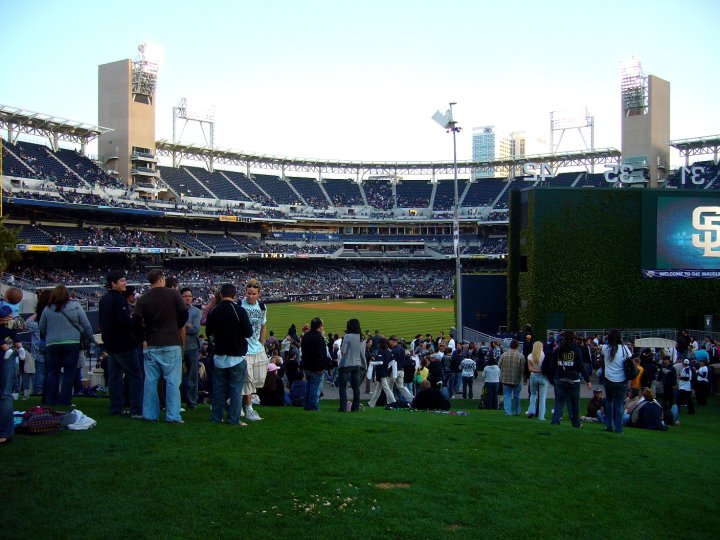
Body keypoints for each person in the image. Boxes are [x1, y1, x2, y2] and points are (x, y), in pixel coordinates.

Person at [133, 269, 188, 423]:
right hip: (171, 342)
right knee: (172, 381)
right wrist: (176, 325)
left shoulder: (143, 299)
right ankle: (173, 416)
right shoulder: (174, 294)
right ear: (162, 279)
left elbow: (136, 321)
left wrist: (143, 337)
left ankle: (150, 414)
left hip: (151, 343)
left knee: (151, 381)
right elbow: (184, 314)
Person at [205, 283, 253, 425]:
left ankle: (216, 417)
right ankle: (233, 419)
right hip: (237, 356)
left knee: (219, 389)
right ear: (234, 296)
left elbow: (209, 334)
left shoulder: (214, 311)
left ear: (220, 295)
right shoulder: (239, 311)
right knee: (235, 390)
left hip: (219, 356)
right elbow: (248, 333)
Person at [39, 285, 95, 407]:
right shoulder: (75, 306)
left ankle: (51, 400)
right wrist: (91, 339)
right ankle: (65, 401)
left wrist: (50, 336)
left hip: (52, 344)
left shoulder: (47, 309)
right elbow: (86, 325)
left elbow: (42, 327)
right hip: (71, 343)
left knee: (53, 373)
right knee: (69, 373)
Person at [99, 270, 143, 418]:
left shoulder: (104, 299)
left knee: (115, 377)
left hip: (111, 345)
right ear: (113, 283)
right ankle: (136, 409)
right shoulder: (118, 299)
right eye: (122, 280)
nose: (125, 283)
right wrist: (135, 320)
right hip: (123, 345)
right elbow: (125, 322)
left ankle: (116, 408)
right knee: (135, 376)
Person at [549, 330, 592, 428]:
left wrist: (555, 376)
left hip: (560, 378)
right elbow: (581, 366)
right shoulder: (576, 350)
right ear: (574, 339)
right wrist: (588, 380)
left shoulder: (558, 349)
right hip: (573, 379)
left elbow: (552, 364)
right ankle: (575, 423)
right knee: (575, 403)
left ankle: (555, 421)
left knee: (559, 402)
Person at [240, 279, 268, 422]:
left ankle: (236, 399)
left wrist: (262, 344)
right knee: (248, 380)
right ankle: (249, 408)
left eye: (253, 294)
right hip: (243, 349)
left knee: (258, 378)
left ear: (258, 294)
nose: (250, 296)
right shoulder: (239, 305)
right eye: (248, 293)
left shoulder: (262, 307)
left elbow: (263, 326)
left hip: (257, 349)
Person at [0, 306, 23, 445]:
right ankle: (4, 433)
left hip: (5, 354)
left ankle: (4, 432)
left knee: (5, 395)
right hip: (5, 355)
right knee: (5, 394)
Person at [601, 329, 631, 434]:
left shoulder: (605, 348)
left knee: (609, 401)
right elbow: (630, 359)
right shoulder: (624, 349)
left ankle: (609, 425)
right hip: (622, 380)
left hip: (609, 379)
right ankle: (619, 428)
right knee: (619, 404)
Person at [24, 289, 51, 400]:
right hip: (51, 346)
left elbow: (27, 323)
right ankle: (48, 392)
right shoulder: (52, 316)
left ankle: (38, 391)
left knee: (40, 373)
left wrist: (37, 313)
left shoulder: (37, 321)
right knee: (51, 372)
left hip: (40, 346)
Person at [300, 317, 329, 411]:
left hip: (306, 366)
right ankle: (313, 407)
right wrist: (321, 367)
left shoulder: (305, 336)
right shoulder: (319, 338)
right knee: (315, 389)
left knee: (308, 386)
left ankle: (307, 406)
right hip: (316, 367)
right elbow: (321, 355)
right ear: (319, 326)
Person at [180, 288, 202, 410]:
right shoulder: (176, 310)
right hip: (179, 346)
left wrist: (182, 327)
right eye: (185, 296)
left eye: (190, 296)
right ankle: (178, 400)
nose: (188, 298)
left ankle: (192, 401)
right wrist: (187, 325)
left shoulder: (196, 312)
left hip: (192, 347)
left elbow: (196, 329)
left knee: (193, 376)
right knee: (177, 375)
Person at [338, 318, 366, 412]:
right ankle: (355, 407)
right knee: (356, 388)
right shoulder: (360, 337)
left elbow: (343, 351)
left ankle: (343, 408)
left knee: (342, 387)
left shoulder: (348, 336)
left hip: (346, 363)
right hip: (357, 364)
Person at [499, 339, 526, 416]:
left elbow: (499, 365)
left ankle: (508, 412)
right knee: (517, 396)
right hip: (516, 379)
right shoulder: (520, 356)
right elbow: (522, 369)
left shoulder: (504, 355)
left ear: (510, 345)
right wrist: (524, 378)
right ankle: (517, 411)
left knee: (507, 396)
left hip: (505, 378)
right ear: (517, 346)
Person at [368, 339, 396, 408]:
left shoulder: (380, 351)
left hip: (381, 372)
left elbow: (381, 362)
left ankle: (393, 402)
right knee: (378, 389)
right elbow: (393, 361)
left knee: (386, 388)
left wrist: (372, 363)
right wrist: (387, 367)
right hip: (384, 372)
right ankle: (371, 403)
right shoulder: (388, 351)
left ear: (380, 344)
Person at [526, 340, 548, 420]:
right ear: (541, 347)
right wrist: (542, 371)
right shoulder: (545, 355)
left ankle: (531, 410)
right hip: (543, 378)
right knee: (542, 398)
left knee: (533, 394)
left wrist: (536, 370)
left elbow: (530, 368)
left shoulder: (530, 356)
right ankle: (541, 416)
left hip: (533, 377)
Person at [388, 335, 413, 402]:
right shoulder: (401, 348)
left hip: (394, 372)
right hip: (401, 371)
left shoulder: (393, 350)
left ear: (393, 341)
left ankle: (391, 401)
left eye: (390, 341)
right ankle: (411, 399)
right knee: (401, 387)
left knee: (389, 388)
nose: (389, 342)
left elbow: (392, 363)